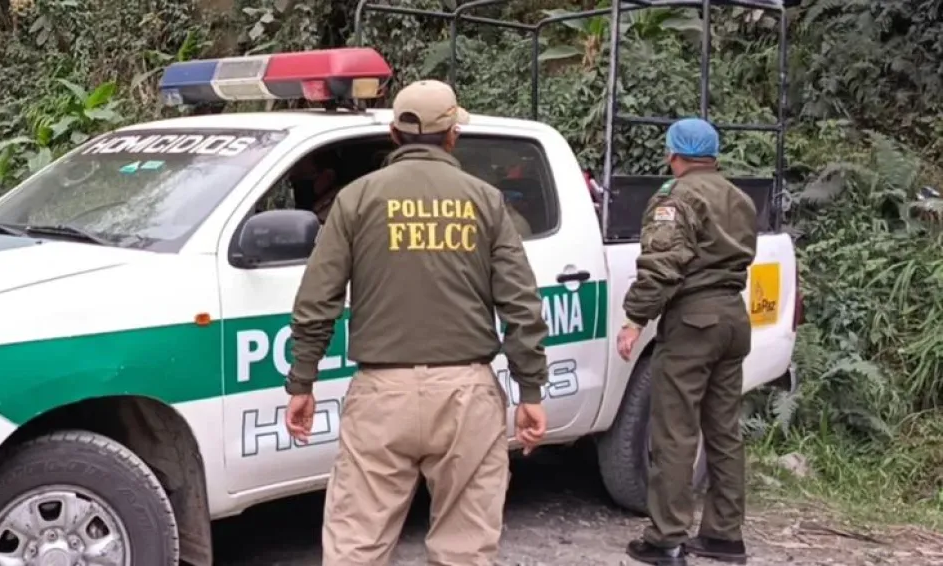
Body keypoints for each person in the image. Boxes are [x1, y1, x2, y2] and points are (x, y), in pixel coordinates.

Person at [284, 78, 550, 566]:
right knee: (465, 549)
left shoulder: (355, 200)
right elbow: (521, 305)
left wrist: (303, 381)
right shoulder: (486, 201)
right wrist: (530, 392)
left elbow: (318, 298)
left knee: (356, 547)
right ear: (453, 135)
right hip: (466, 396)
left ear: (393, 134)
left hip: (381, 397)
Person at [616, 117, 758, 565]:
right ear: (713, 155)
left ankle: (666, 537)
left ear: (673, 154)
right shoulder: (738, 197)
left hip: (693, 319)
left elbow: (663, 263)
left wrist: (635, 318)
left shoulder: (676, 198)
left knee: (675, 430)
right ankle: (723, 534)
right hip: (734, 316)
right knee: (724, 430)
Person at [289, 153, 339, 222]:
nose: (296, 184)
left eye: (303, 176)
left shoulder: (338, 212)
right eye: (293, 179)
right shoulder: (308, 214)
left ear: (328, 177)